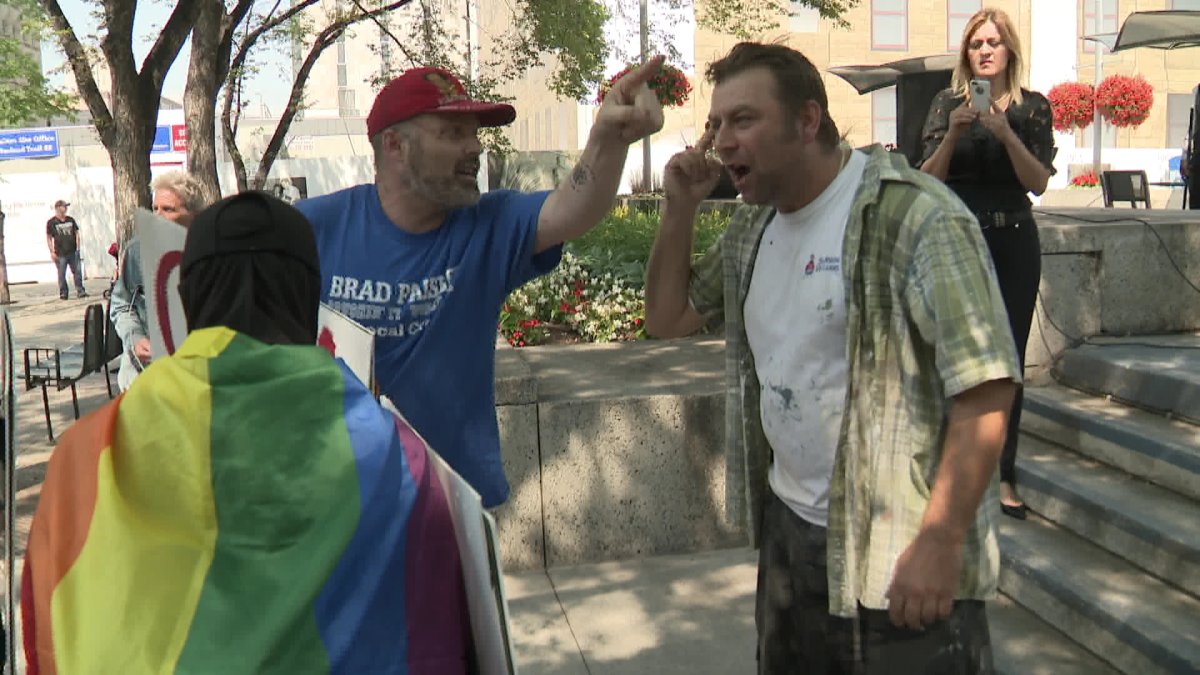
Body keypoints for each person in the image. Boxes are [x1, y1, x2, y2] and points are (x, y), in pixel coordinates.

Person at [644, 42, 1020, 673]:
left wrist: (940, 541)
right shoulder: (752, 228)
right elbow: (668, 318)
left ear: (808, 121)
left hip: (896, 545)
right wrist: (679, 206)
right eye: (716, 124)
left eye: (743, 120)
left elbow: (985, 388)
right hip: (789, 535)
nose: (722, 141)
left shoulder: (916, 216)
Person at [22, 192, 471, 674]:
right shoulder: (395, 456)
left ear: (187, 299)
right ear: (308, 298)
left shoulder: (88, 450)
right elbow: (434, 642)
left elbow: (47, 638)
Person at [297, 61, 665, 508]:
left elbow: (573, 208)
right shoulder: (311, 229)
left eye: (474, 133)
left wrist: (609, 137)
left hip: (455, 509)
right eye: (453, 133)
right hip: (338, 506)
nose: (474, 148)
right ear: (394, 145)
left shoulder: (490, 224)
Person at [918, 7, 1055, 520]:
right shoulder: (944, 103)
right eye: (977, 43)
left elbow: (1037, 182)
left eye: (993, 42)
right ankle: (947, 471)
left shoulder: (1032, 108)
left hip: (1013, 240)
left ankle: (1004, 475)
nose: (985, 51)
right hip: (956, 241)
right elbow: (927, 179)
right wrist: (953, 133)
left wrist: (1004, 133)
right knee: (948, 356)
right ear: (966, 52)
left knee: (1009, 363)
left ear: (1009, 50)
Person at [109, 170, 206, 391]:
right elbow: (122, 305)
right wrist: (135, 338)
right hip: (144, 376)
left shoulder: (211, 254)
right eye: (155, 209)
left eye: (168, 209)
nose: (158, 216)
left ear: (194, 214)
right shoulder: (137, 252)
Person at [45, 200, 86, 300]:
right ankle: (64, 293)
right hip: (60, 253)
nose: (66, 208)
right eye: (64, 206)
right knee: (61, 274)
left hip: (73, 252)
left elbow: (76, 233)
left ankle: (80, 291)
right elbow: (49, 237)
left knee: (77, 272)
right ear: (58, 208)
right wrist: (52, 252)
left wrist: (78, 248)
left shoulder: (70, 220)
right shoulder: (51, 222)